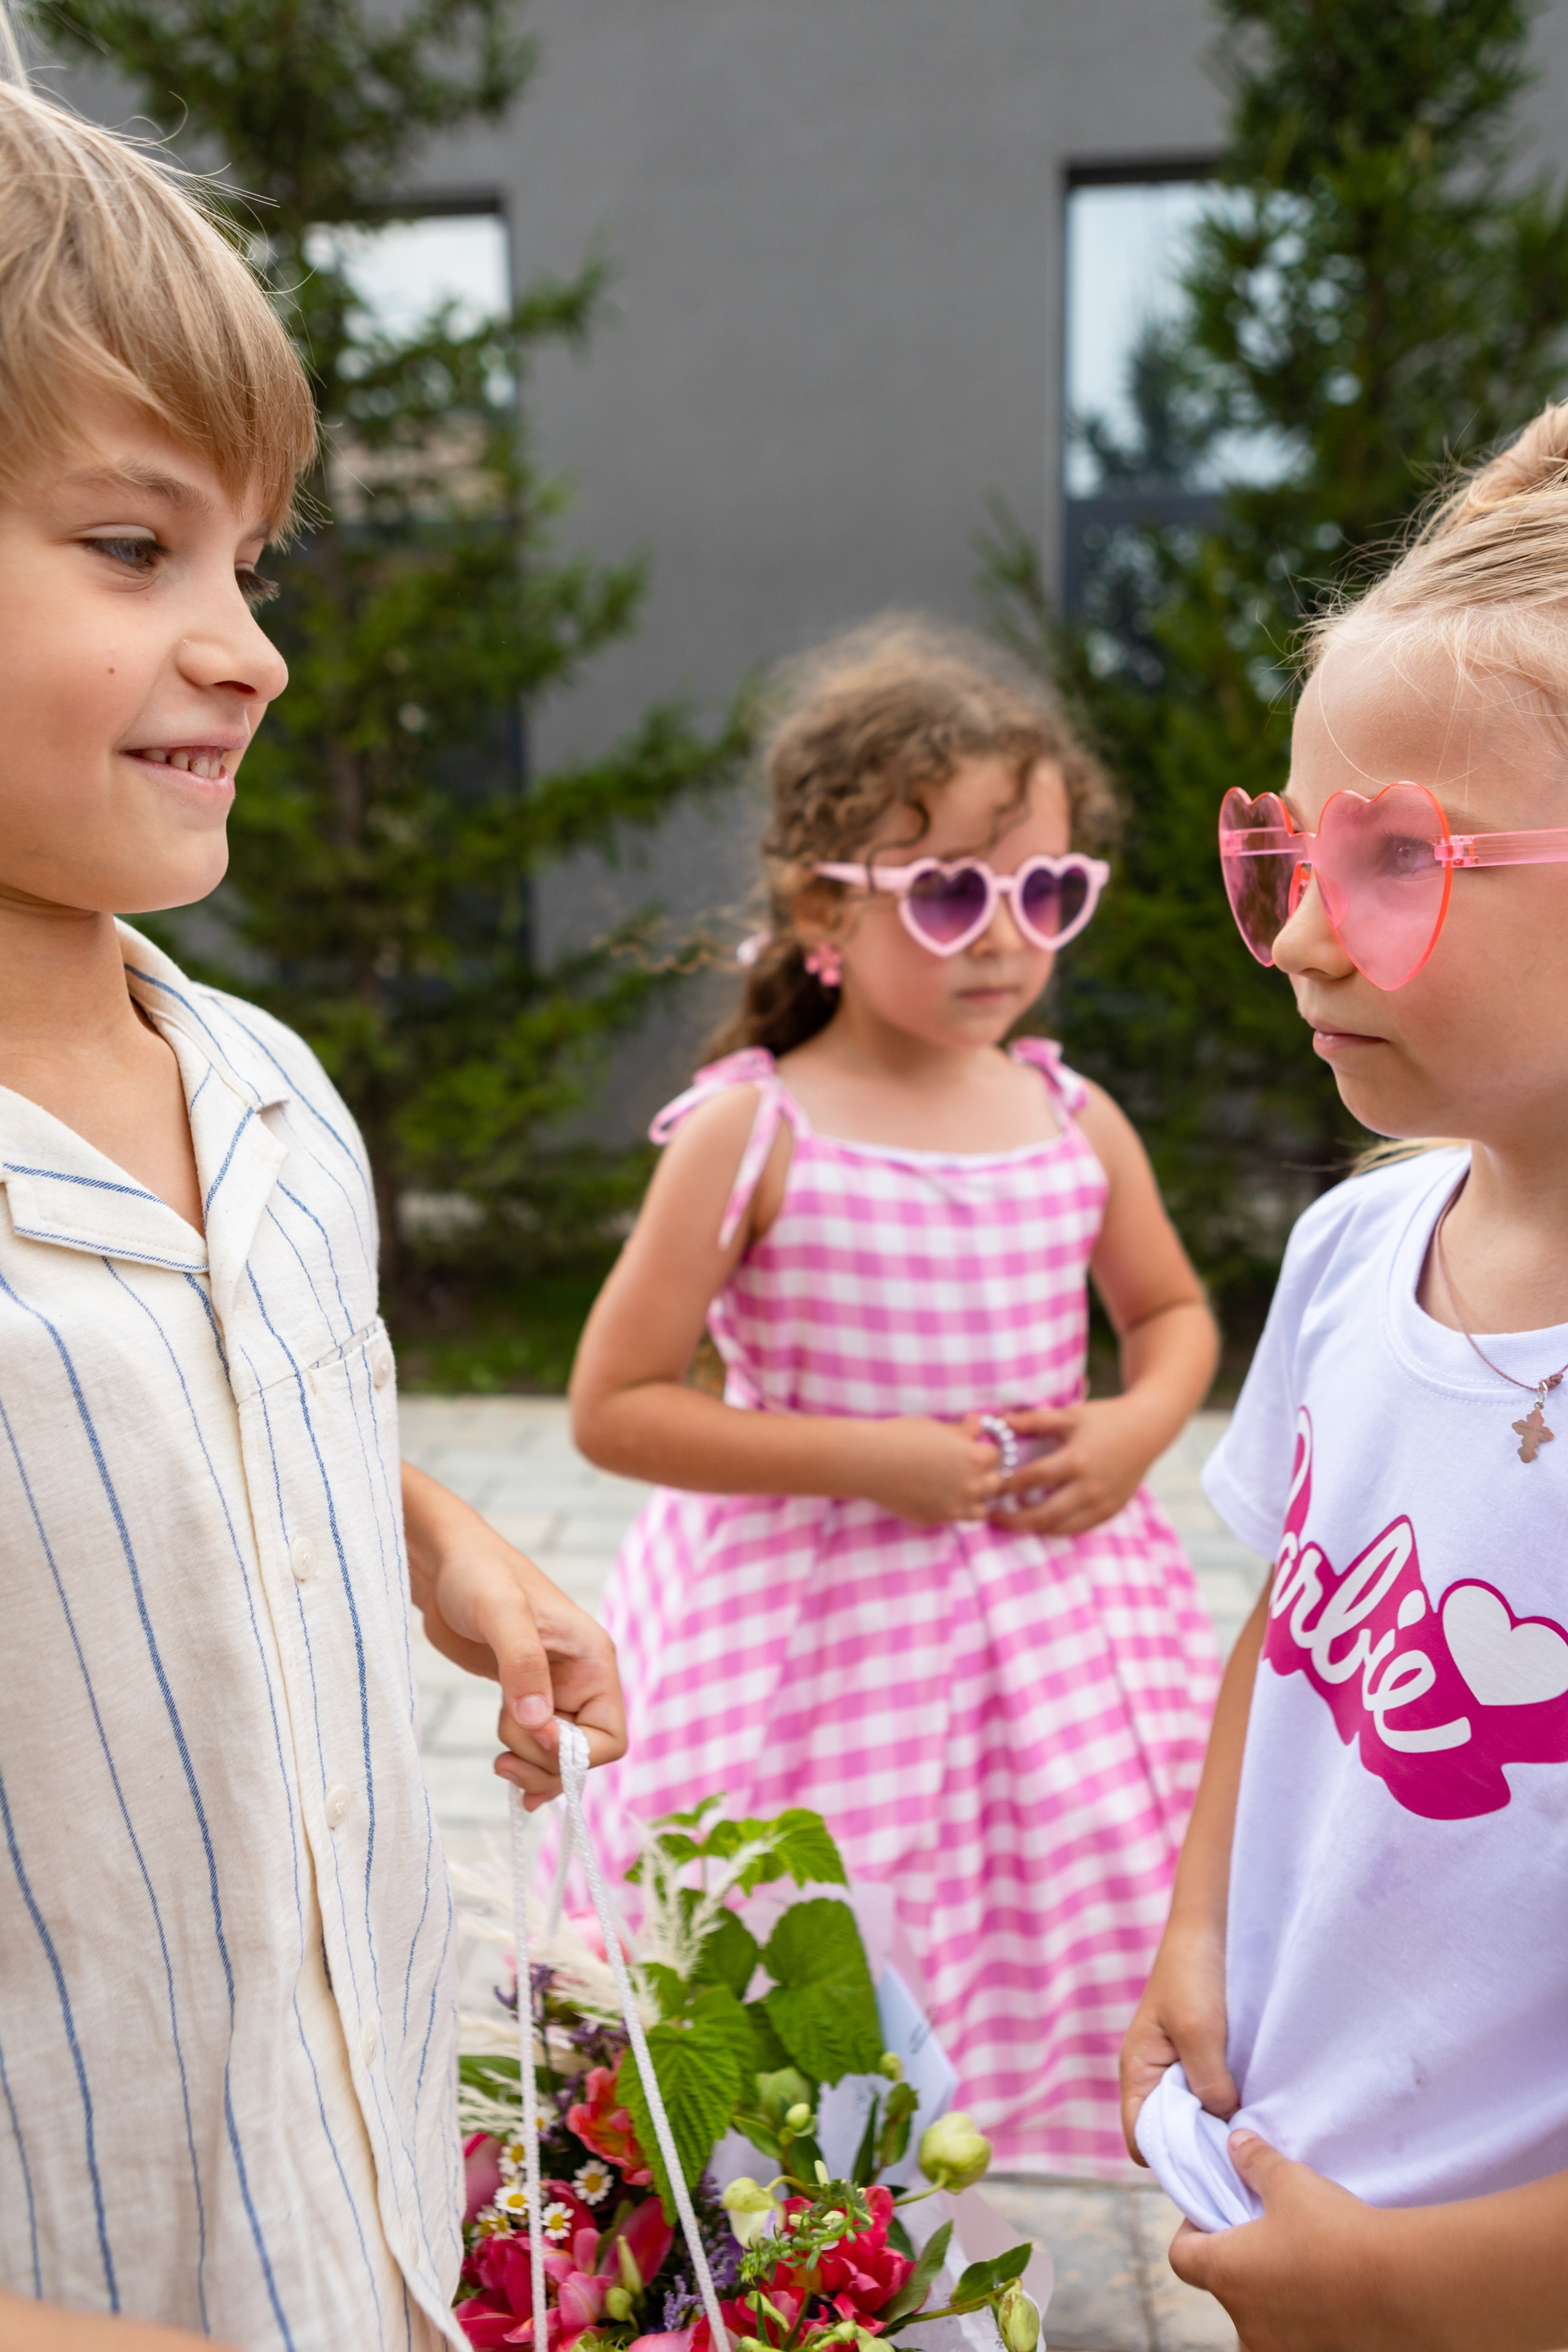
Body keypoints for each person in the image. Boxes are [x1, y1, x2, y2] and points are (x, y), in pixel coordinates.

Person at [0, 66, 624, 2352]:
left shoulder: (271, 1091)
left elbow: (166, 1426)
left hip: (357, 2246)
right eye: (131, 547)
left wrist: (423, 1532)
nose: (251, 648)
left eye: (251, 564)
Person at [568, 617, 1223, 2174]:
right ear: (824, 908)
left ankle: (947, 2188)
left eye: (1043, 892)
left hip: (1052, 1630)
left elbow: (1172, 1314)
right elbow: (615, 1404)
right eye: (946, 894)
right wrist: (871, 1459)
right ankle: (805, 2216)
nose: (1002, 937)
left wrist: (1133, 1430)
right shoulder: (752, 1133)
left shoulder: (1069, 1117)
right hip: (809, 1639)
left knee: (1040, 1906)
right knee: (820, 1931)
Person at [1121, 403, 1568, 2351]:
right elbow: (1295, 1626)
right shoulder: (1353, 1251)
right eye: (1293, 850)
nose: (1300, 932)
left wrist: (1402, 2288)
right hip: (1298, 2193)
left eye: (1396, 857)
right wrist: (1199, 1921)